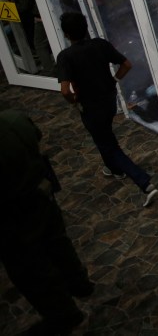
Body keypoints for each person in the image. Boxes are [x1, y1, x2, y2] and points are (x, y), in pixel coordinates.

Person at [0, 110, 92, 335]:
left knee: (31, 267)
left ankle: (64, 315)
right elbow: (37, 136)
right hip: (40, 195)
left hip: (12, 214)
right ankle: (79, 282)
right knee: (58, 241)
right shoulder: (14, 120)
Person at [55, 12, 158, 208]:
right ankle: (113, 169)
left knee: (108, 144)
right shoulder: (100, 45)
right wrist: (114, 80)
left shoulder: (65, 57)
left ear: (67, 34)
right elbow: (126, 64)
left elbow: (64, 90)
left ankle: (144, 182)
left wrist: (73, 101)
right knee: (103, 136)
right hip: (109, 100)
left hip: (90, 106)